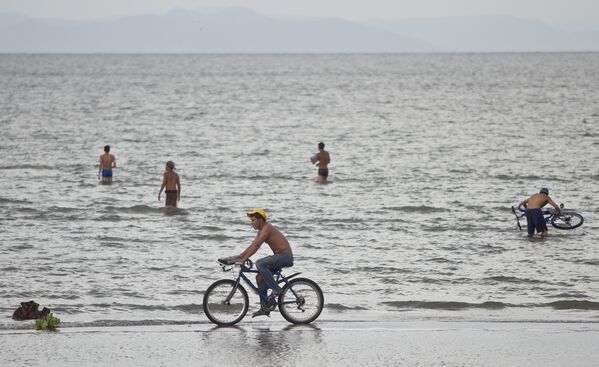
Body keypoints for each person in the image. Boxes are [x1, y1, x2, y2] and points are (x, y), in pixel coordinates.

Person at [236, 209, 293, 318]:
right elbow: (253, 245)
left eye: (253, 220)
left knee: (260, 263)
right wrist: (240, 256)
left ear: (261, 220)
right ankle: (265, 308)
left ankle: (276, 289)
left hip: (285, 256)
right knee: (259, 278)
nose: (251, 223)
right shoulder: (261, 231)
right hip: (278, 256)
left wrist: (244, 259)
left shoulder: (267, 228)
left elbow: (257, 246)